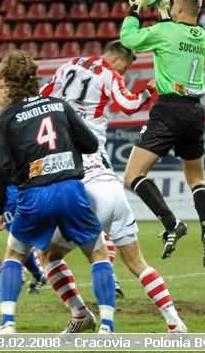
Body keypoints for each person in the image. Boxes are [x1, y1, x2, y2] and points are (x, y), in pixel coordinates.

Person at [41, 40, 187, 333]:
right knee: (137, 262)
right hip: (109, 179)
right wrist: (148, 90)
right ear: (119, 60)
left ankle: (90, 317)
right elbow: (129, 105)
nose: (124, 72)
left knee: (48, 256)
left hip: (79, 175)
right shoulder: (110, 75)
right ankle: (175, 322)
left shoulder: (69, 65)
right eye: (126, 67)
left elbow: (43, 96)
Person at [0, 50, 116, 334]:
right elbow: (90, 144)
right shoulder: (59, 105)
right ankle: (107, 326)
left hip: (34, 196)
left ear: (8, 81)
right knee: (98, 254)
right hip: (71, 190)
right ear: (35, 77)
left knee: (15, 255)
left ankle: (7, 323)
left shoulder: (5, 118)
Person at [119, 0, 205, 270]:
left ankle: (171, 223)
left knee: (133, 175)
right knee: (197, 178)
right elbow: (173, 35)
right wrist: (163, 9)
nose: (171, 7)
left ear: (180, 8)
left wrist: (135, 6)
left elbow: (128, 39)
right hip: (195, 111)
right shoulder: (202, 36)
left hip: (169, 109)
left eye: (173, 4)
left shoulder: (166, 32)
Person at [0, 76, 47, 294]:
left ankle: (25, 272)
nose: (5, 91)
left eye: (8, 87)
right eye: (0, 87)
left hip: (28, 182)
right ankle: (36, 273)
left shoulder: (21, 116)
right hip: (5, 185)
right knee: (17, 232)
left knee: (27, 232)